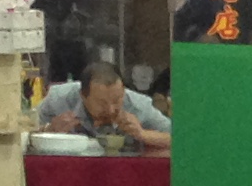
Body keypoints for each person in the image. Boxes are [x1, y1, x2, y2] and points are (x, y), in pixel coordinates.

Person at [34, 60, 171, 153]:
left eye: (117, 100)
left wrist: (143, 134)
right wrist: (49, 130)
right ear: (83, 95)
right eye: (102, 103)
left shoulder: (138, 105)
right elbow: (26, 133)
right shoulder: (58, 99)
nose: (110, 110)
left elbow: (178, 139)